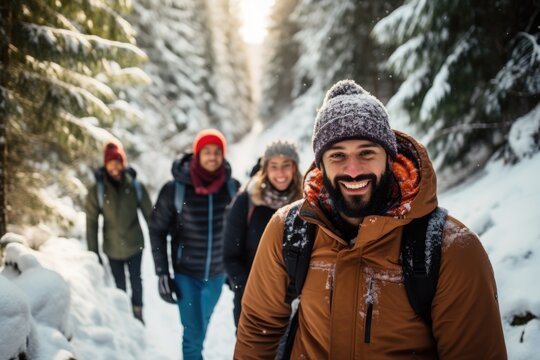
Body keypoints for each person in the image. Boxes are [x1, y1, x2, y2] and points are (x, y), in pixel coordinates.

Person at [234, 80, 507, 359]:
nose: (352, 170)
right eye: (337, 155)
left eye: (366, 152)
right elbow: (259, 327)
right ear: (320, 165)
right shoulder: (290, 229)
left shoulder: (450, 248)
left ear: (389, 158)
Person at [149, 128, 239, 360]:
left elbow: (240, 230)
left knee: (203, 324)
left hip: (217, 275)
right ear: (197, 154)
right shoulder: (175, 189)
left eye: (217, 152)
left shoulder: (232, 188)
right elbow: (157, 230)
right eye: (206, 151)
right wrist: (162, 273)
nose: (212, 157)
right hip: (185, 274)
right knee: (194, 332)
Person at [223, 140, 303, 328]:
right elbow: (230, 256)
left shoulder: (305, 204)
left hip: (295, 305)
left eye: (286, 165)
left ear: (295, 168)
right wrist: (246, 288)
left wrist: (292, 293)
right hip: (251, 303)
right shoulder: (247, 201)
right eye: (274, 166)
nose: (280, 173)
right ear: (265, 169)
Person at [86, 141, 152, 323]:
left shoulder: (135, 187)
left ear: (123, 163)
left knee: (136, 282)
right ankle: (124, 318)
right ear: (105, 164)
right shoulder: (98, 191)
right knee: (119, 285)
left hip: (134, 244)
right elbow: (91, 224)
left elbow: (151, 216)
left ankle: (138, 314)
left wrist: (160, 242)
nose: (115, 167)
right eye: (111, 163)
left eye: (118, 162)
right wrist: (94, 254)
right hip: (112, 248)